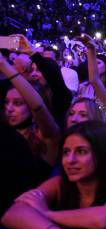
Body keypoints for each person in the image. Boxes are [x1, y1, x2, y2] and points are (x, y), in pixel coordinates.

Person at [1, 121, 106, 229]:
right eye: (66, 152)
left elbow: (103, 219)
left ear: (102, 153)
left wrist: (47, 214)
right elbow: (12, 213)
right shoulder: (58, 183)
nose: (70, 160)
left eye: (81, 151)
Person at [1, 52, 61, 182]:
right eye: (6, 102)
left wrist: (4, 65)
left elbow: (38, 106)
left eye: (18, 103)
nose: (9, 108)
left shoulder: (47, 137)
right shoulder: (5, 134)